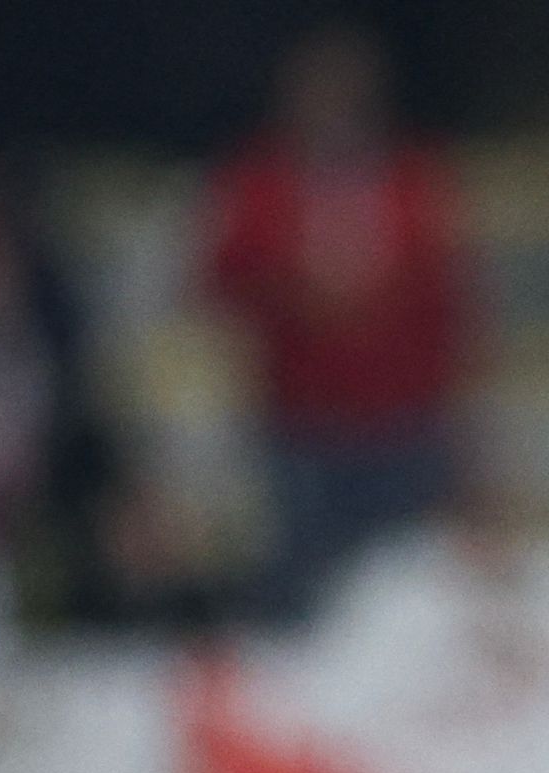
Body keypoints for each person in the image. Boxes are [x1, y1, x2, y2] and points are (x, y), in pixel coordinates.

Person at [200, 23, 475, 621]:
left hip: (403, 420)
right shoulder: (258, 179)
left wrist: (458, 410)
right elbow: (221, 282)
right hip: (302, 422)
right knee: (305, 587)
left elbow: (452, 294)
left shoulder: (412, 176)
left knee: (405, 586)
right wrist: (297, 293)